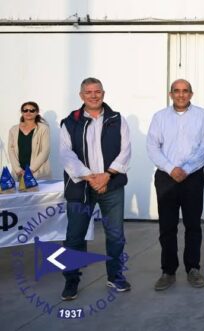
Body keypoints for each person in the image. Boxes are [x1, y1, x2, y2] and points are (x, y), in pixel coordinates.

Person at [59, 77, 131, 300]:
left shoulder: (117, 119)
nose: (93, 95)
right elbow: (66, 154)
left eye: (97, 91)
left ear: (103, 94)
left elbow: (125, 151)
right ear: (81, 95)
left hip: (112, 185)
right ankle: (71, 281)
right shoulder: (70, 122)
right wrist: (91, 178)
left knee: (115, 235)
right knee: (74, 237)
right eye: (88, 92)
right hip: (81, 187)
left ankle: (115, 276)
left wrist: (106, 176)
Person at [147, 79, 204, 291]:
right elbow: (152, 147)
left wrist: (186, 169)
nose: (181, 95)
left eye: (185, 91)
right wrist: (171, 168)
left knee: (193, 225)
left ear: (191, 94)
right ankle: (168, 271)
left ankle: (193, 268)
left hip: (192, 177)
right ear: (171, 94)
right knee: (167, 226)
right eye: (177, 91)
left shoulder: (203, 116)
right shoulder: (160, 117)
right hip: (166, 177)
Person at [8, 101, 51, 179]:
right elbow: (11, 150)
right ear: (22, 112)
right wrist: (18, 170)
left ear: (37, 112)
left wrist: (30, 170)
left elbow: (45, 151)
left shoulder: (43, 128)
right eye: (25, 110)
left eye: (32, 110)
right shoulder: (13, 130)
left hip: (37, 172)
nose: (28, 112)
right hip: (18, 173)